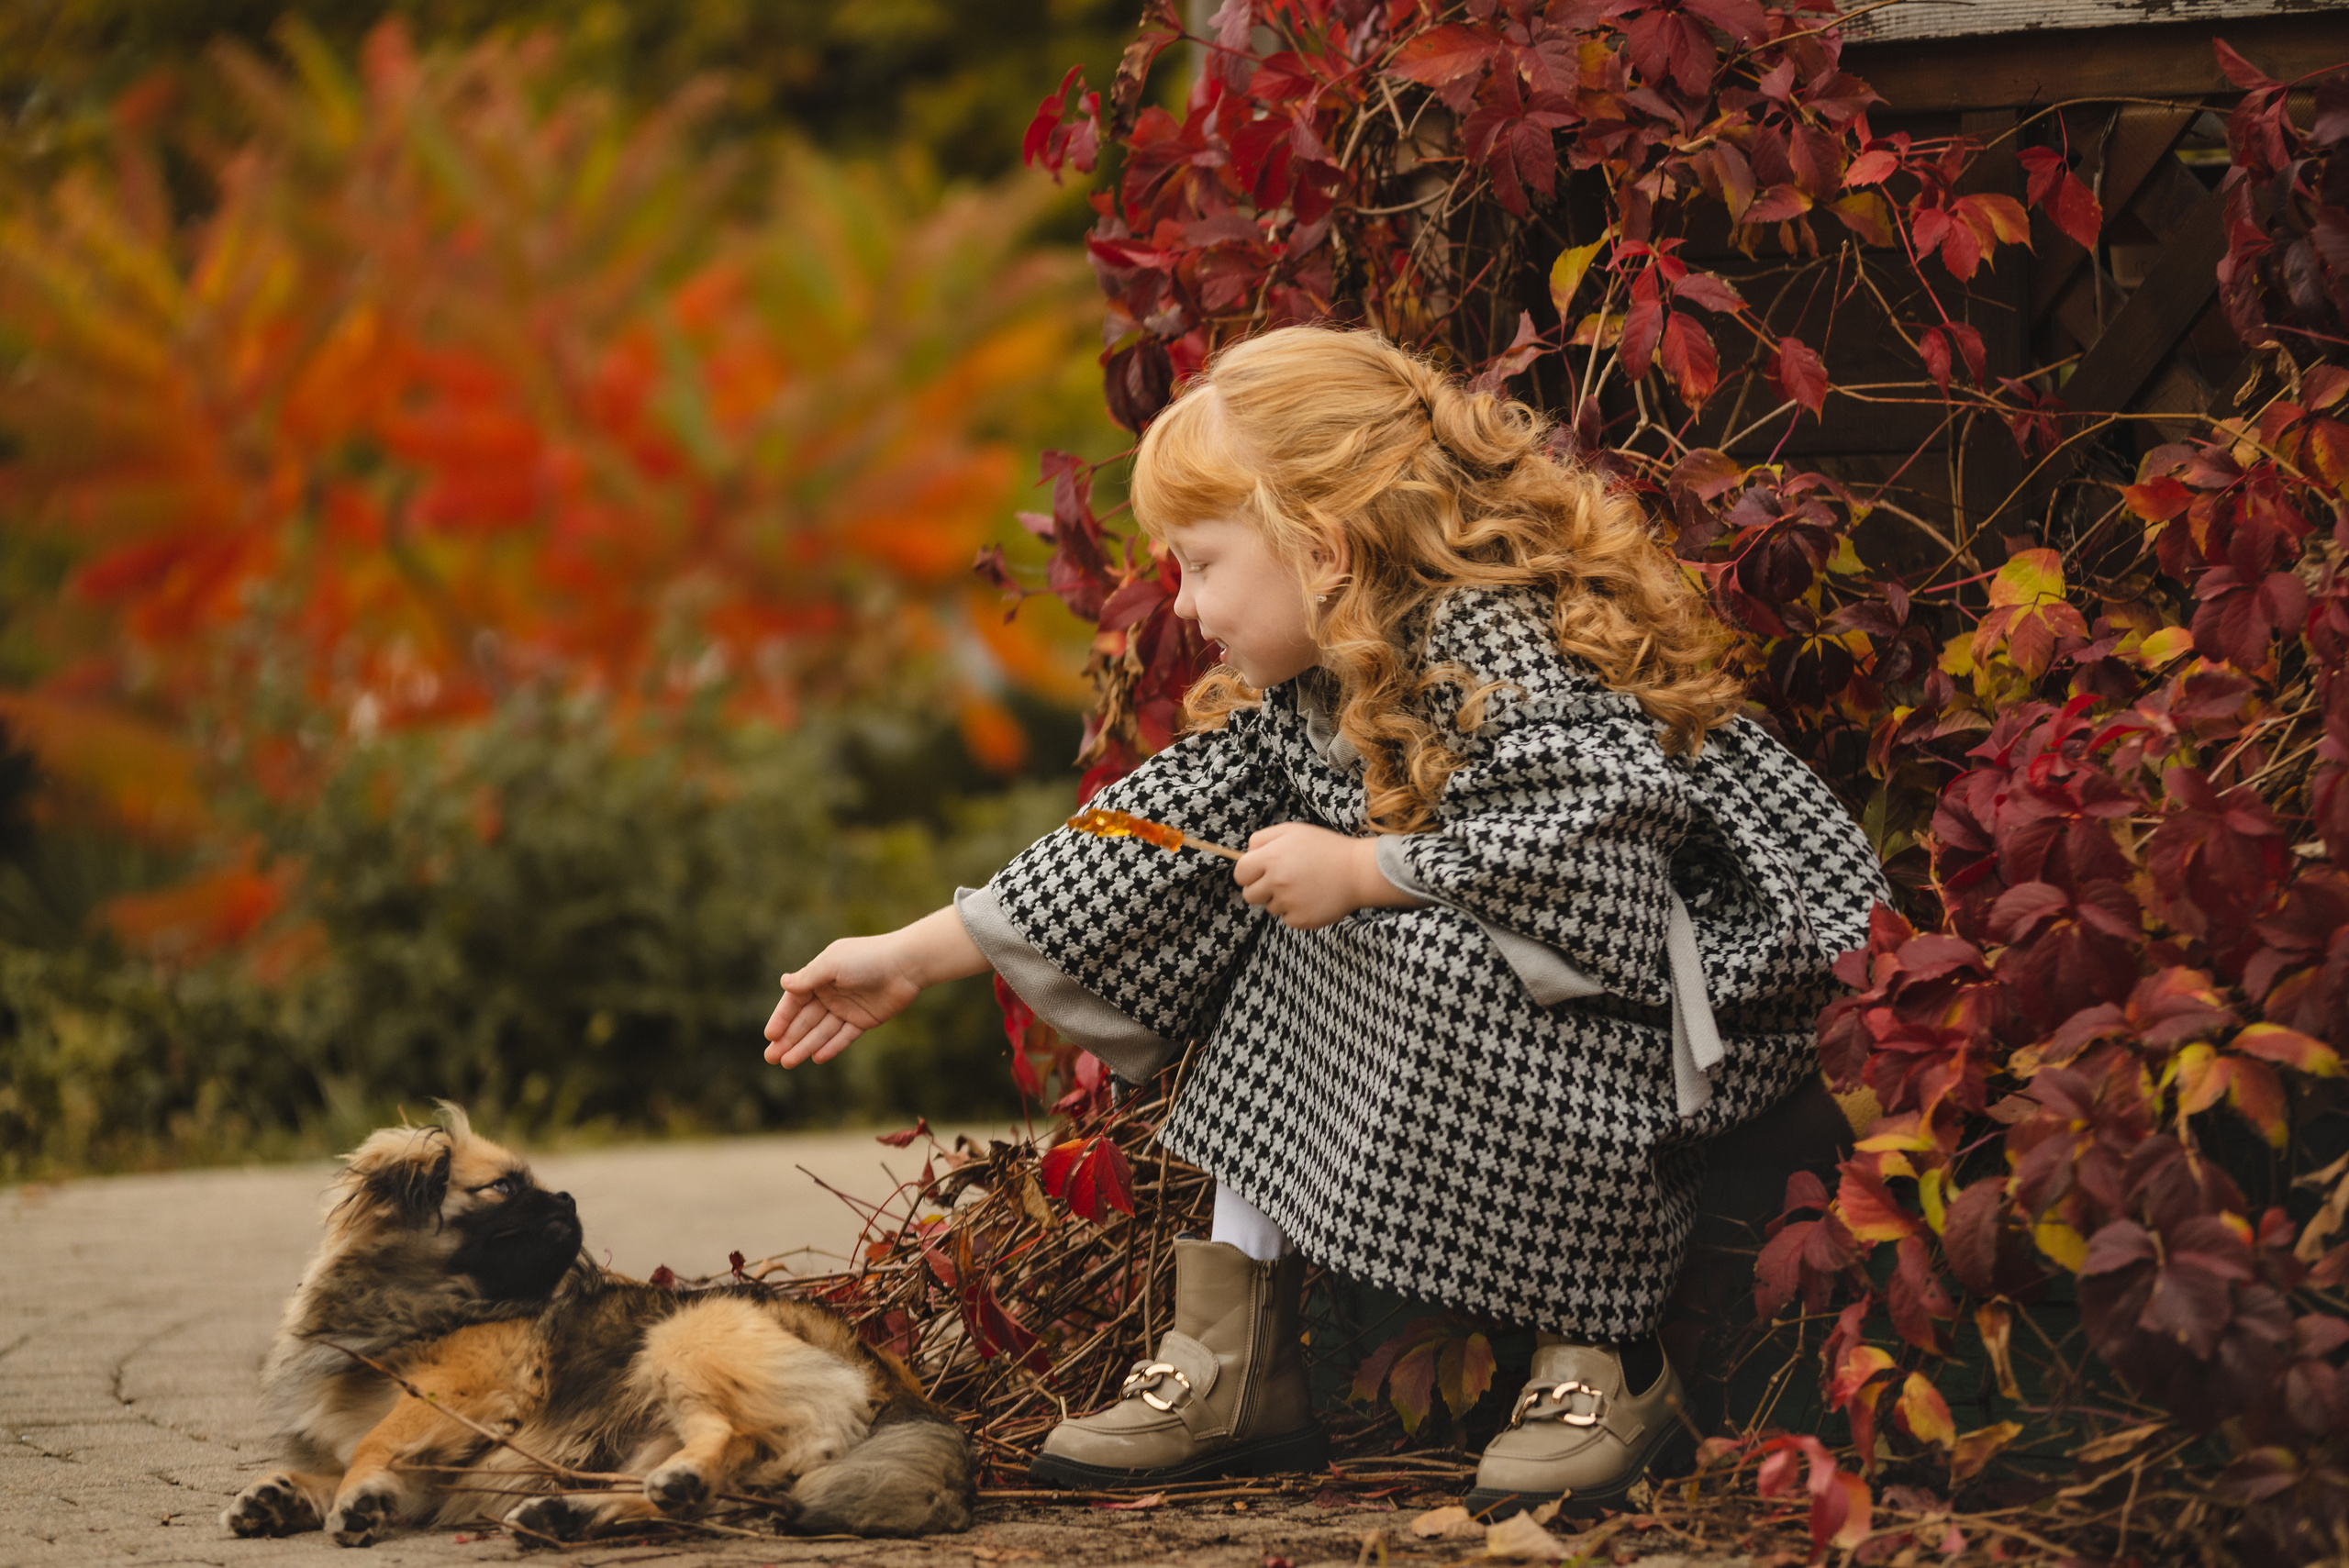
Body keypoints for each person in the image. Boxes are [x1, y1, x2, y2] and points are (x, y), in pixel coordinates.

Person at [762, 326, 1891, 1518]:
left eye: (1200, 563)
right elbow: (1147, 833)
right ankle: (1232, 1353)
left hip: (1680, 987)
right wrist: (918, 951)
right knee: (1272, 910)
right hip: (1519, 958)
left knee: (1413, 934)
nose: (1186, 606)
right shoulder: (1318, 680)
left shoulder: (1512, 648)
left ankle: (1606, 1357)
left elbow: (1599, 857)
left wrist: (1370, 867)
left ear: (1324, 548)